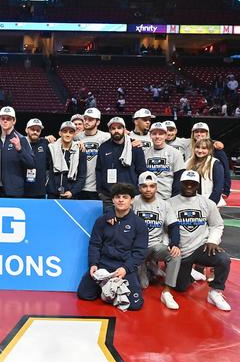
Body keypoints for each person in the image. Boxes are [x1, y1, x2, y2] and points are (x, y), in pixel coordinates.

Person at [76, 183, 148, 311]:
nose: (121, 200)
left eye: (125, 197)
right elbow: (95, 245)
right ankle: (108, 288)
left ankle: (111, 291)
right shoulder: (101, 221)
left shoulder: (139, 224)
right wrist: (93, 264)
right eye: (117, 197)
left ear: (131, 200)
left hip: (124, 267)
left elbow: (140, 252)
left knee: (135, 305)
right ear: (113, 200)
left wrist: (125, 269)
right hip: (103, 265)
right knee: (84, 294)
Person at [169, 171, 231, 311]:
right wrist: (171, 245)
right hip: (180, 252)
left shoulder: (207, 203)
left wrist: (213, 241)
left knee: (224, 259)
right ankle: (189, 273)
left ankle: (215, 292)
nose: (189, 186)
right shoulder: (170, 203)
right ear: (180, 183)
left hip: (201, 248)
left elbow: (217, 225)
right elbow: (165, 228)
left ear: (198, 185)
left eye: (193, 183)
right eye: (186, 183)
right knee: (180, 288)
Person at [132, 172, 181, 310]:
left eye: (152, 186)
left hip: (155, 246)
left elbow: (174, 225)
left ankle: (167, 292)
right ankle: (148, 267)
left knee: (175, 255)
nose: (148, 189)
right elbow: (117, 211)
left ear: (156, 187)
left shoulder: (164, 204)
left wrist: (175, 244)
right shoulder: (133, 201)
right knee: (143, 285)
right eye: (144, 186)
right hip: (135, 248)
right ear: (139, 187)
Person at [96, 117, 147, 209]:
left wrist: (139, 192)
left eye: (119, 128)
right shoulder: (103, 147)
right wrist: (100, 191)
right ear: (109, 130)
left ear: (124, 129)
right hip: (108, 196)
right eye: (113, 128)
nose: (116, 131)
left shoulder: (134, 146)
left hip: (130, 196)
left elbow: (142, 171)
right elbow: (99, 170)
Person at [0, 107, 36, 198]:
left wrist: (20, 149)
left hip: (14, 191)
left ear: (14, 121)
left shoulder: (21, 139)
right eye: (3, 118)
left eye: (8, 119)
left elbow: (31, 164)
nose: (5, 121)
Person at [74, 108, 110, 200]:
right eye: (85, 119)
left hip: (98, 187)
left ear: (98, 122)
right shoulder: (76, 138)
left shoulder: (106, 137)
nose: (86, 122)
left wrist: (133, 140)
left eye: (90, 120)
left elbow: (122, 138)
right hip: (79, 187)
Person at [143, 122, 185, 199]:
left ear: (165, 135)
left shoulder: (175, 153)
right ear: (150, 135)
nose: (157, 136)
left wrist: (174, 200)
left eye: (161, 134)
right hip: (147, 198)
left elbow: (178, 179)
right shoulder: (144, 153)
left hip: (167, 198)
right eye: (154, 134)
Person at [189, 122, 230, 200]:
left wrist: (226, 190)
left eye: (202, 132)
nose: (199, 134)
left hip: (210, 192)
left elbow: (225, 171)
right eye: (196, 132)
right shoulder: (188, 146)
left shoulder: (217, 150)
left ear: (207, 133)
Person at [47, 121, 86, 199]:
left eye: (71, 132)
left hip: (71, 195)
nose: (68, 134)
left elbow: (82, 176)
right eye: (65, 131)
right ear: (60, 133)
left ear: (74, 134)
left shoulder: (80, 150)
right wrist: (45, 138)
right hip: (52, 194)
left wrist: (72, 192)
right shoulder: (51, 148)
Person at [185, 138, 225, 206]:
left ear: (209, 150)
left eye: (204, 148)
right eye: (197, 147)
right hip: (190, 202)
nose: (200, 150)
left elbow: (218, 188)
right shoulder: (188, 162)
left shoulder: (215, 163)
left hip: (209, 202)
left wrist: (209, 205)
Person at [24, 118, 50, 199]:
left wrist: (78, 142)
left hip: (40, 191)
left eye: (38, 130)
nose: (35, 132)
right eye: (32, 129)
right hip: (22, 190)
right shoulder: (20, 143)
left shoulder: (45, 143)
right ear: (26, 130)